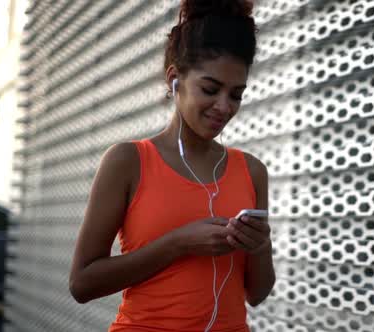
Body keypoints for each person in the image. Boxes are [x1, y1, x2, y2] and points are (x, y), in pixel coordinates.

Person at [69, 0, 275, 331]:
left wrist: (260, 246)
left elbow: (257, 294)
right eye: (210, 89)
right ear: (174, 80)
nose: (224, 107)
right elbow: (82, 284)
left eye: (236, 95)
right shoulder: (128, 161)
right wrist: (178, 243)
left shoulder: (251, 171)